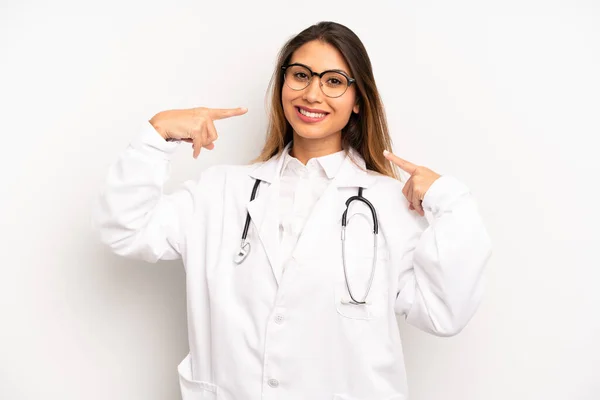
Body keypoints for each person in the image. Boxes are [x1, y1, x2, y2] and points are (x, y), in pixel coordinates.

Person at [93, 21, 492, 400]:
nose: (312, 94)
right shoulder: (221, 191)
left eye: (334, 81)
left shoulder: (389, 203)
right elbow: (127, 231)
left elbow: (443, 313)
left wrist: (449, 200)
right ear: (283, 83)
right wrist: (156, 135)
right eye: (300, 75)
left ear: (358, 101)